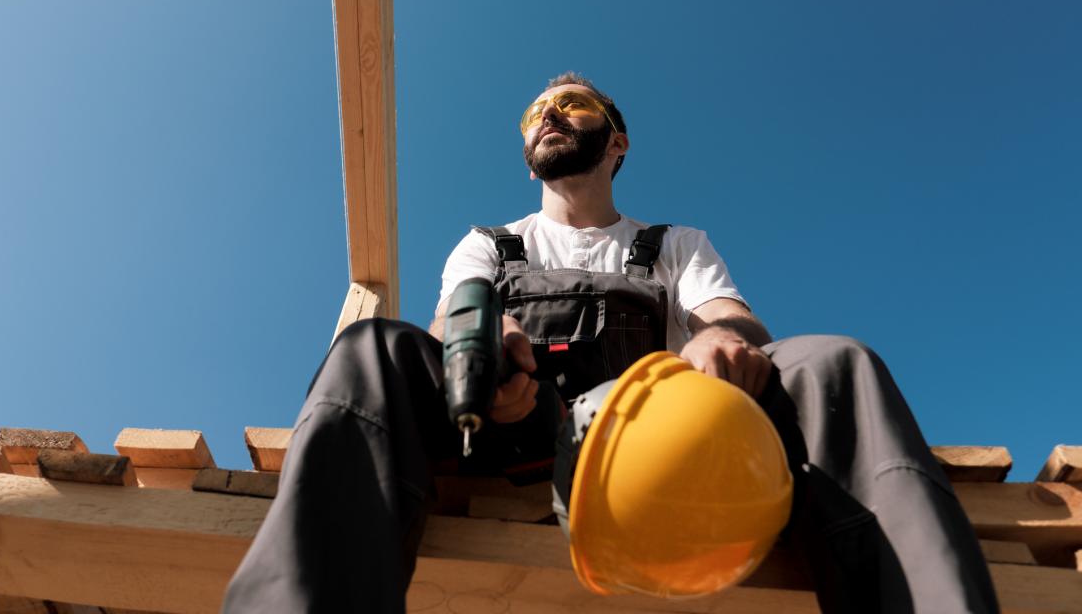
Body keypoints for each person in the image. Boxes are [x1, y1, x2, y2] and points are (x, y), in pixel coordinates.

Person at [223, 72, 999, 614]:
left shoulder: (672, 243)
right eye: (536, 115)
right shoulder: (487, 245)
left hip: (656, 437)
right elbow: (442, 337)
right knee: (371, 351)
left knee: (835, 365)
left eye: (571, 105)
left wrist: (719, 344)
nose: (549, 117)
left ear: (617, 142)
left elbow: (731, 316)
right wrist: (489, 352)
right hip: (511, 433)